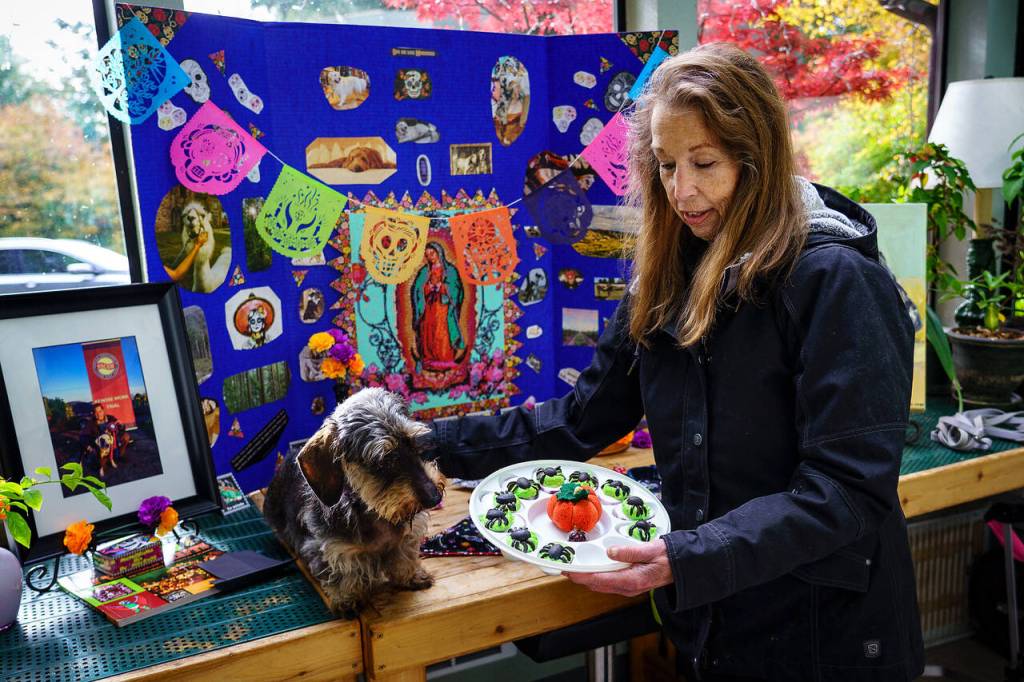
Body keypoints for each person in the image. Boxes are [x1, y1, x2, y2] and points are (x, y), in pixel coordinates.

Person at [424, 43, 923, 681]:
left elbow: (846, 490)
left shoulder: (835, 281)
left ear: (758, 158)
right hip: (716, 622)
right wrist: (424, 443)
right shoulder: (669, 273)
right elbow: (580, 421)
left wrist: (690, 557)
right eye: (664, 165)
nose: (681, 191)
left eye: (705, 163)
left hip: (823, 636)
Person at [411, 242, 466, 370]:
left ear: (439, 252)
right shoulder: (424, 271)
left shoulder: (450, 270)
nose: (430, 257)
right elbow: (416, 290)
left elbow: (456, 288)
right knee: (429, 331)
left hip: (444, 308)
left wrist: (443, 287)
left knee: (442, 332)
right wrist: (428, 288)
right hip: (429, 307)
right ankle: (428, 358)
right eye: (427, 255)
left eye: (432, 253)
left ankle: (445, 358)